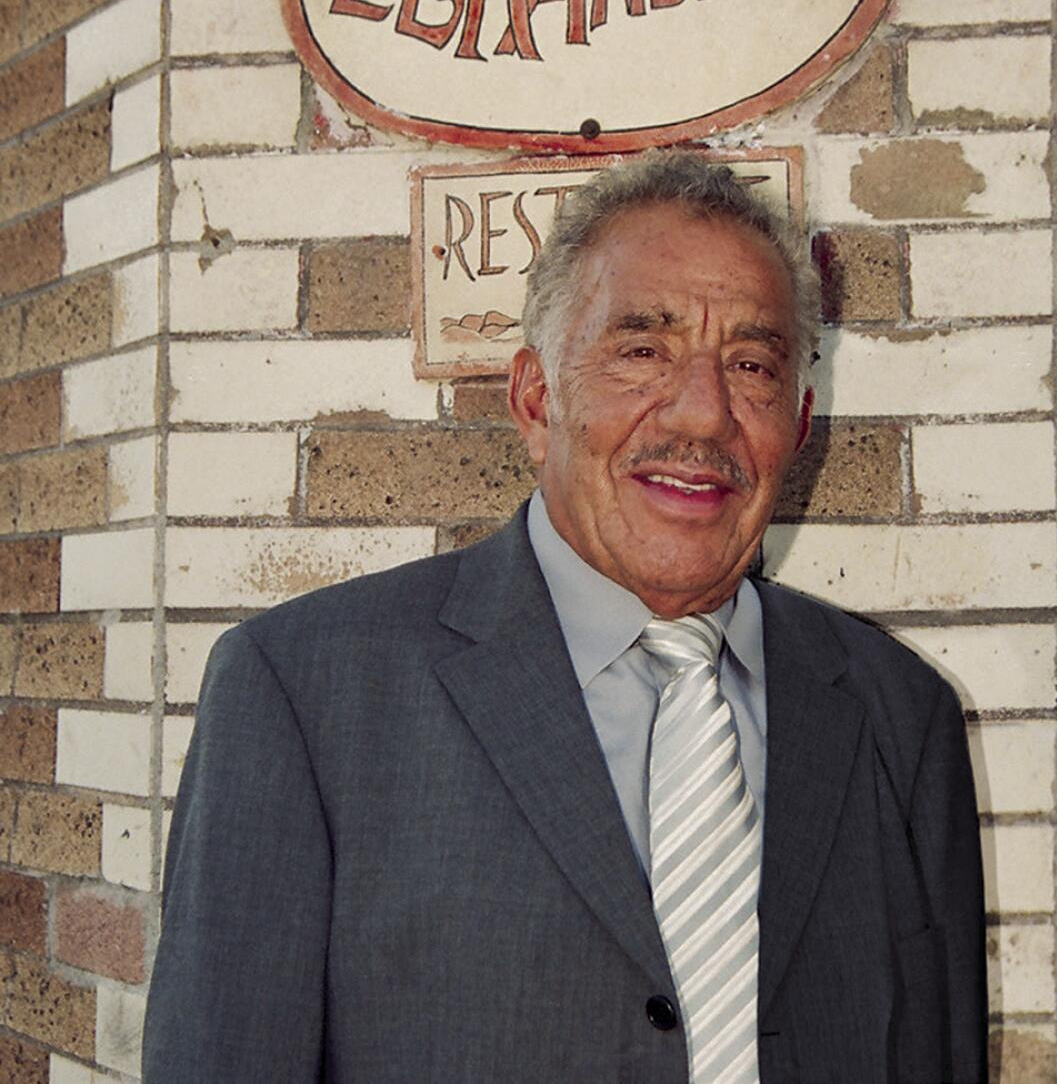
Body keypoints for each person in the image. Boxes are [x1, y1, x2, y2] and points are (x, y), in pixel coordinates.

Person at [143, 153, 986, 1082]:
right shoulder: (304, 697)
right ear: (537, 400)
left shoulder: (903, 717)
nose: (703, 415)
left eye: (752, 364)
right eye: (643, 350)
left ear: (800, 419)